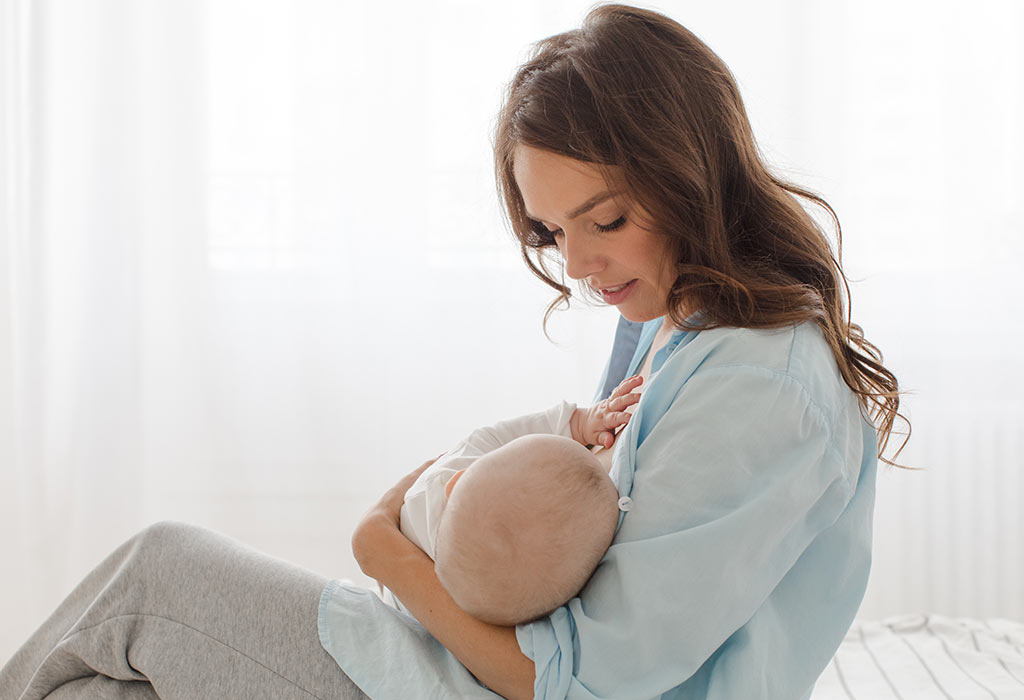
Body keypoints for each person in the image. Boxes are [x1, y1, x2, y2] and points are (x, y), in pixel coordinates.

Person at [0, 4, 907, 700]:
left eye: (608, 220)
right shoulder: (675, 316)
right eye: (554, 233)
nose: (582, 267)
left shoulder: (760, 383)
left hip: (495, 684)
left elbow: (578, 680)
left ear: (690, 174)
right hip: (475, 664)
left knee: (159, 575)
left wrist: (386, 555)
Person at [393, 376, 641, 626]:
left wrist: (578, 425)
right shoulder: (498, 597)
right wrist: (580, 424)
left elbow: (497, 436)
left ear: (457, 480)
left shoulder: (436, 490)